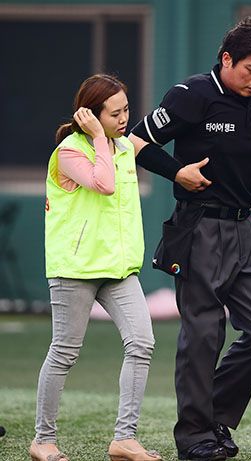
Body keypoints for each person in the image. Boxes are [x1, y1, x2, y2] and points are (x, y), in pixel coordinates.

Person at [129, 17, 251, 461]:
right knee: (204, 334)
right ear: (227, 59)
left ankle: (212, 413)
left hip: (245, 229)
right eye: (250, 69)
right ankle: (195, 437)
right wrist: (176, 172)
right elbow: (136, 142)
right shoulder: (191, 95)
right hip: (199, 227)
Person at [31, 75, 160, 461]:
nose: (124, 118)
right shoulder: (69, 152)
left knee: (142, 343)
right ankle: (42, 440)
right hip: (75, 268)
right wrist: (100, 140)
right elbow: (103, 184)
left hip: (118, 268)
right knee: (64, 352)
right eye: (114, 113)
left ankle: (124, 439)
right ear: (90, 115)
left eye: (126, 110)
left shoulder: (123, 147)